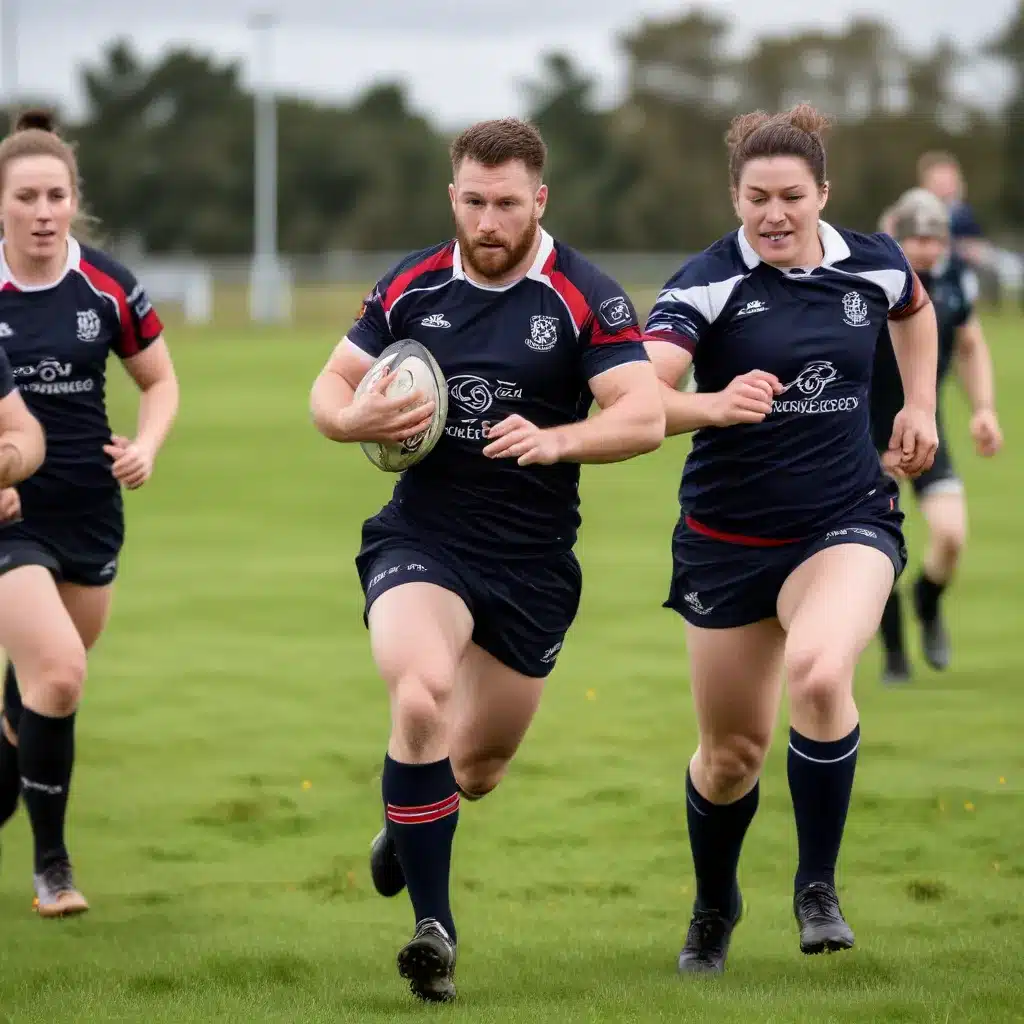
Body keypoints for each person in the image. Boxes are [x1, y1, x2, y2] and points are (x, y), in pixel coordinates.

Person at [309, 117, 663, 1002]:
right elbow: (329, 387)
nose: (489, 221)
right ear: (454, 196)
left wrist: (560, 439)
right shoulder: (412, 282)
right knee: (420, 691)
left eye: (508, 204)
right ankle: (435, 931)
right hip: (422, 538)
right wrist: (351, 421)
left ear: (539, 200)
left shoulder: (585, 295)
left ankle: (409, 819)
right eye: (474, 202)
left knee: (475, 768)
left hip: (532, 562)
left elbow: (645, 416)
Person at [642, 104, 939, 974]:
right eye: (756, 198)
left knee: (818, 672)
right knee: (731, 757)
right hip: (724, 540)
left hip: (844, 518)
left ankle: (817, 888)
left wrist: (917, 402)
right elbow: (640, 398)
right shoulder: (704, 283)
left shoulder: (874, 264)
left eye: (792, 197)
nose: (774, 214)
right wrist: (710, 404)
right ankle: (712, 907)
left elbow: (913, 312)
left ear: (824, 195)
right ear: (734, 197)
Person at [0, 109, 179, 917]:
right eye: (27, 196)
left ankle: (6, 784)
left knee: (38, 695)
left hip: (90, 513)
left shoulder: (107, 284)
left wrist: (147, 445)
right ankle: (53, 870)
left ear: (75, 201)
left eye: (56, 195)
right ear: (1, 204)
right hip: (10, 515)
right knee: (61, 675)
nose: (43, 211)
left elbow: (160, 382)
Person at [871, 188, 1002, 683]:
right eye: (916, 238)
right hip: (869, 432)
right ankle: (895, 656)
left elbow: (970, 347)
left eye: (935, 238)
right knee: (879, 546)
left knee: (950, 536)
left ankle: (927, 602)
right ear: (897, 238)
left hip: (926, 426)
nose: (927, 248)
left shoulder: (952, 281)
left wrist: (984, 410)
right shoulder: (872, 281)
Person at [915, 151, 992, 272]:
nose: (946, 190)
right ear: (924, 186)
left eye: (950, 183)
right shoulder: (914, 214)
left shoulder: (963, 214)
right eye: (939, 184)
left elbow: (978, 248)